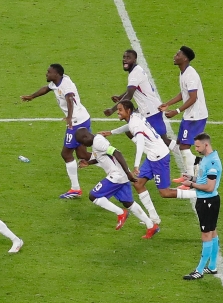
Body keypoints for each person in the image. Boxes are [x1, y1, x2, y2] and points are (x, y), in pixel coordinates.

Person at [101, 100, 176, 239]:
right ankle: (154, 219)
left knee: (165, 193)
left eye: (120, 110)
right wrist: (111, 132)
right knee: (138, 183)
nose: (118, 112)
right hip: (153, 155)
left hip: (159, 156)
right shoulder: (134, 117)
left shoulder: (135, 123)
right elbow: (128, 127)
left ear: (128, 111)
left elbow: (140, 143)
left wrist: (136, 165)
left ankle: (197, 193)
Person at [20, 64, 92, 199]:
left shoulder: (66, 85)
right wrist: (32, 96)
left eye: (49, 72)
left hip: (76, 122)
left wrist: (69, 117)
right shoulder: (56, 82)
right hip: (83, 118)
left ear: (57, 74)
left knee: (66, 154)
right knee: (82, 154)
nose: (46, 74)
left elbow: (70, 98)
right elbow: (46, 89)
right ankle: (110, 159)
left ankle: (75, 189)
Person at [74, 127, 155, 231]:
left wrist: (128, 173)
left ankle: (121, 213)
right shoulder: (97, 141)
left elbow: (116, 153)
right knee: (128, 203)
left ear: (85, 137)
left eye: (83, 143)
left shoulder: (98, 142)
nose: (84, 146)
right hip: (121, 175)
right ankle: (151, 226)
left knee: (93, 196)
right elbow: (102, 156)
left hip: (117, 175)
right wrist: (89, 163)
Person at [103, 49, 180, 156]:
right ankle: (150, 151)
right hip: (148, 109)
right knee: (131, 129)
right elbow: (133, 88)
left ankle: (189, 156)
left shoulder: (135, 73)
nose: (125, 60)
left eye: (128, 58)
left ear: (134, 59)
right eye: (124, 57)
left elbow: (129, 95)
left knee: (163, 140)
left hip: (151, 111)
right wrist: (120, 97)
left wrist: (112, 109)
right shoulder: (136, 70)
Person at [158, 46, 208, 180]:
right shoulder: (184, 72)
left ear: (185, 58)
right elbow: (184, 93)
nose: (175, 56)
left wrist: (176, 111)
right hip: (190, 115)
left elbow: (193, 97)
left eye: (178, 54)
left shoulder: (190, 75)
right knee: (180, 144)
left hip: (196, 116)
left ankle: (190, 177)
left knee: (185, 146)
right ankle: (197, 162)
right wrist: (168, 103)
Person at [176, 133, 221, 279]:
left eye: (197, 146)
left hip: (207, 201)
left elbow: (209, 187)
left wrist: (191, 184)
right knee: (212, 232)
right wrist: (192, 178)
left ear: (206, 144)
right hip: (208, 200)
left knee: (206, 234)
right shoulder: (207, 159)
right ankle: (212, 266)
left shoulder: (213, 162)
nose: (196, 149)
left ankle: (199, 270)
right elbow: (203, 179)